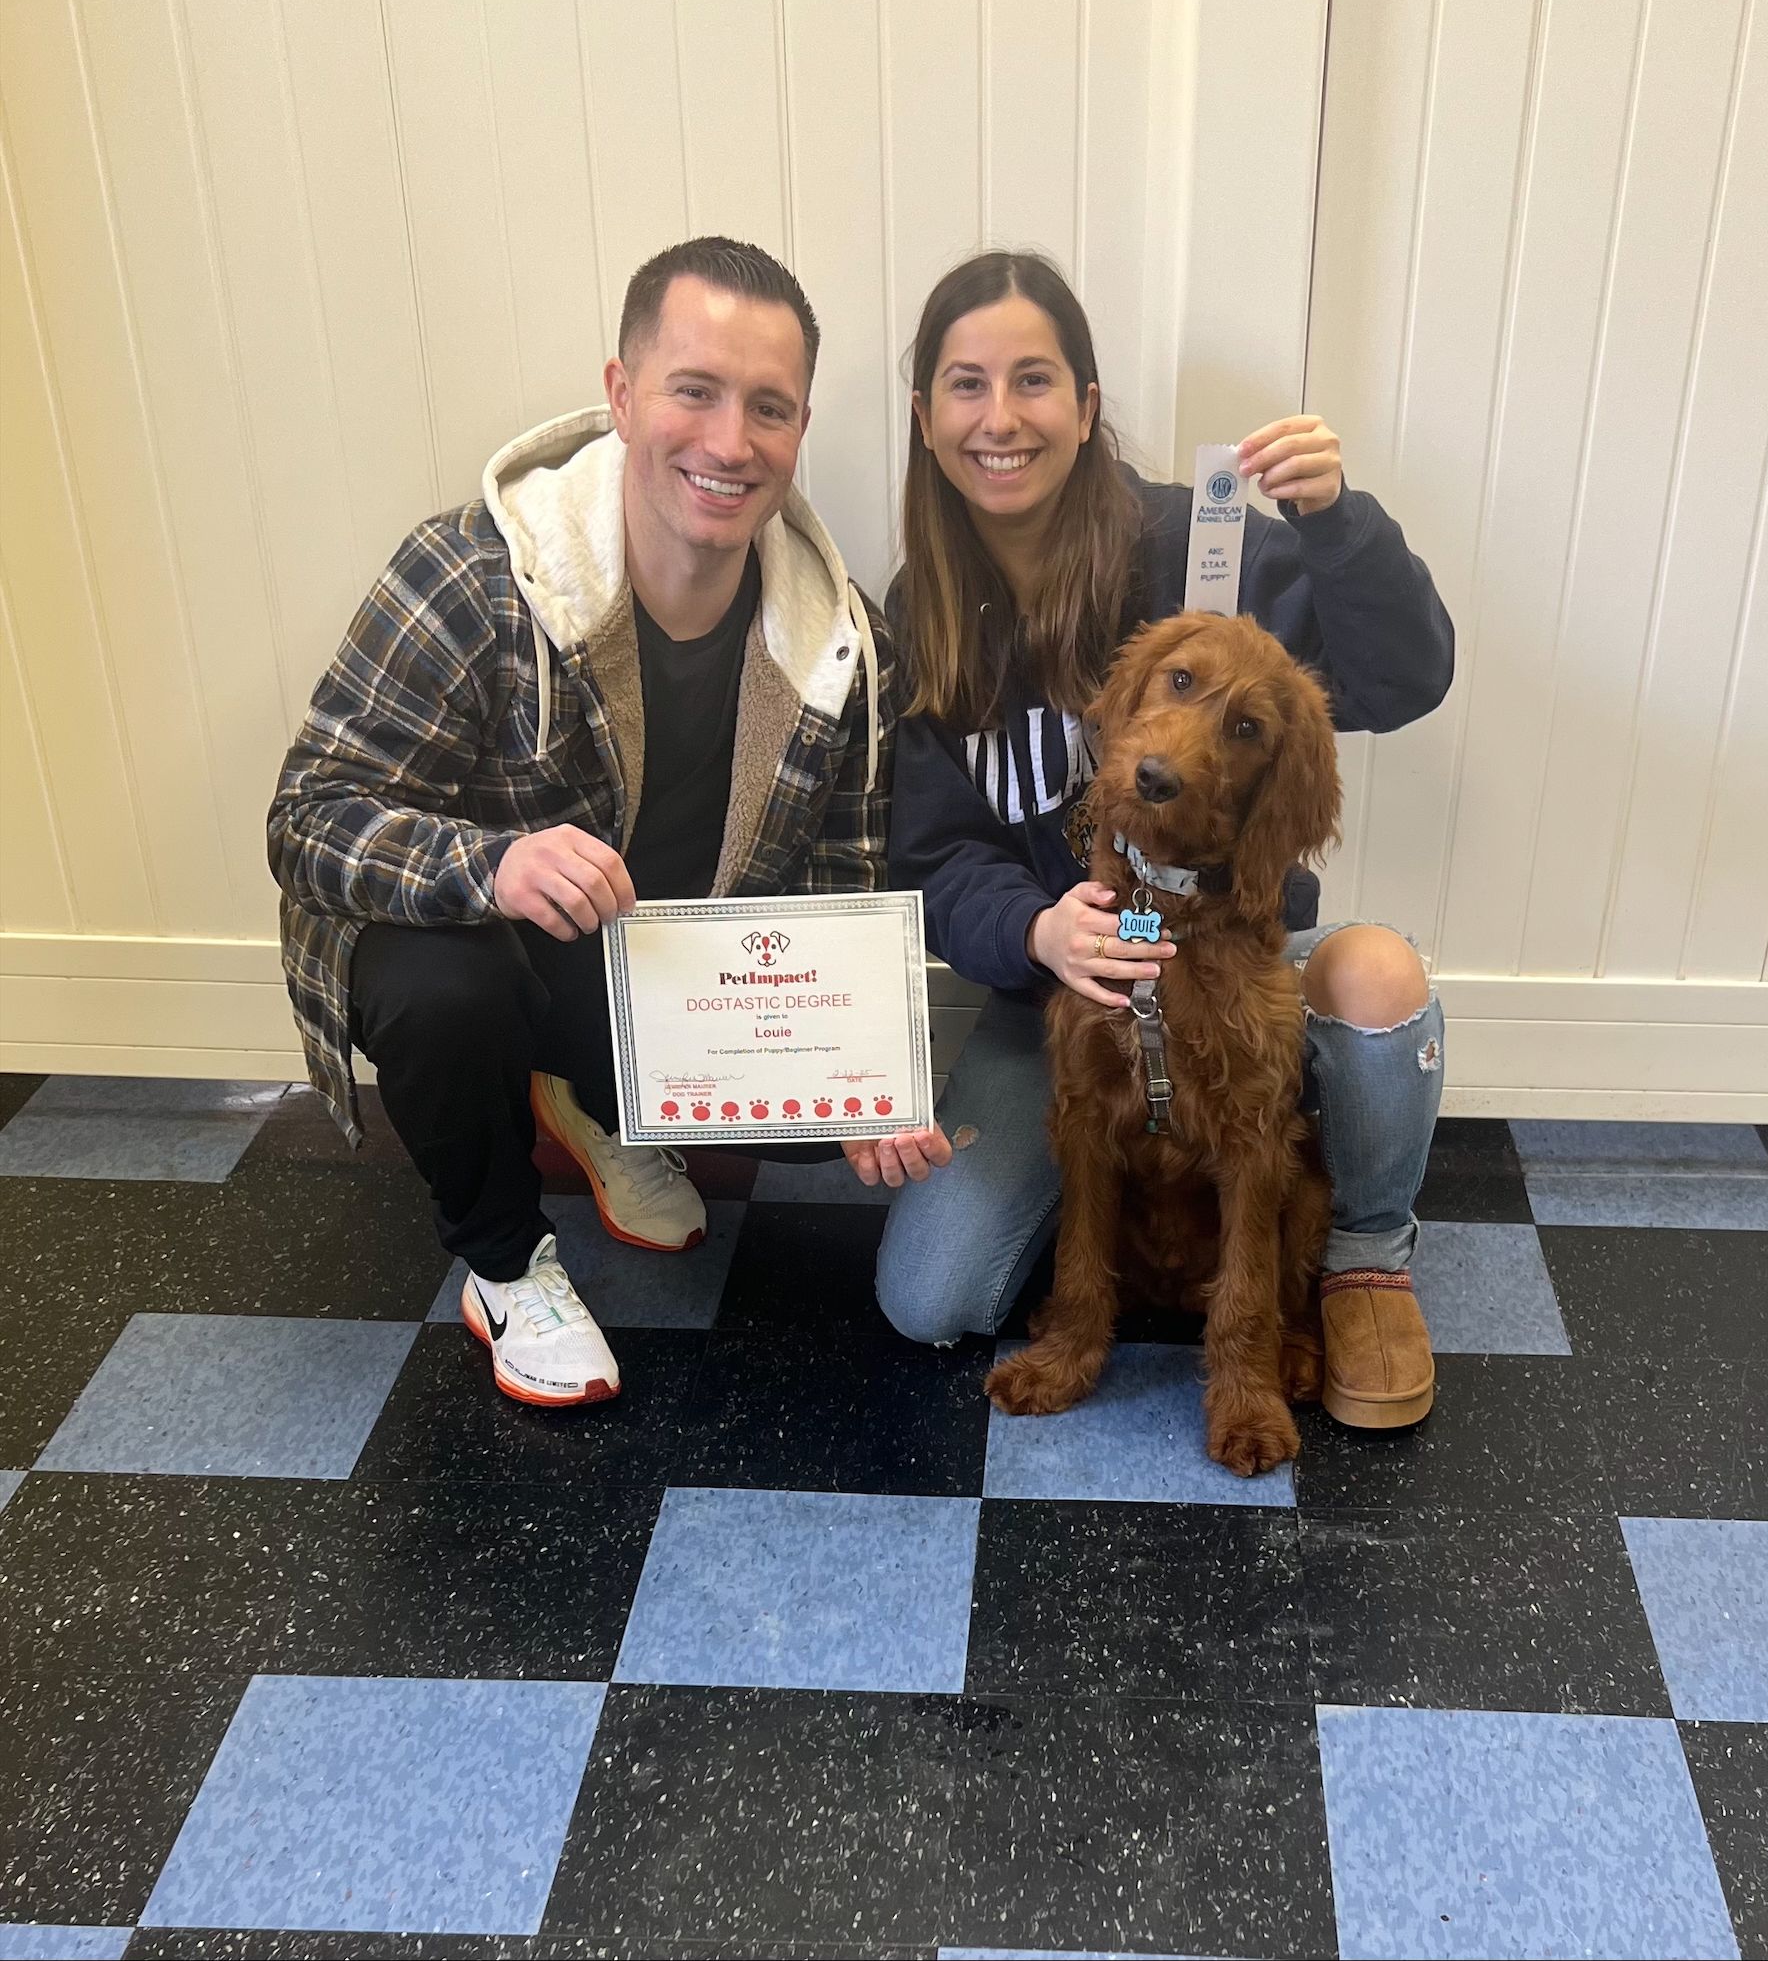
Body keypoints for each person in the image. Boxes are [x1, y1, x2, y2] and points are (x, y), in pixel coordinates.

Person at [269, 236, 949, 1410]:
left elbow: (844, 885)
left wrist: (863, 1079)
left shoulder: (843, 645)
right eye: (695, 390)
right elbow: (307, 817)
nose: (731, 443)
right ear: (622, 394)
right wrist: (489, 865)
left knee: (807, 1133)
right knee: (446, 994)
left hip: (659, 963)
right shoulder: (468, 573)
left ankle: (593, 1099)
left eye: (770, 408)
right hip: (469, 944)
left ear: (799, 427)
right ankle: (501, 1263)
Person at [878, 250, 1456, 1428]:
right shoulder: (920, 611)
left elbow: (1401, 677)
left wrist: (1336, 527)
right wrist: (1038, 931)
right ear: (927, 418)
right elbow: (933, 859)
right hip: (1064, 970)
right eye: (966, 384)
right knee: (929, 1292)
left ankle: (1362, 1264)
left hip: (1232, 944)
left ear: (1087, 409)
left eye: (1034, 381)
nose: (1001, 418)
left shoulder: (1204, 545)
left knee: (1377, 975)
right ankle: (1100, 1291)